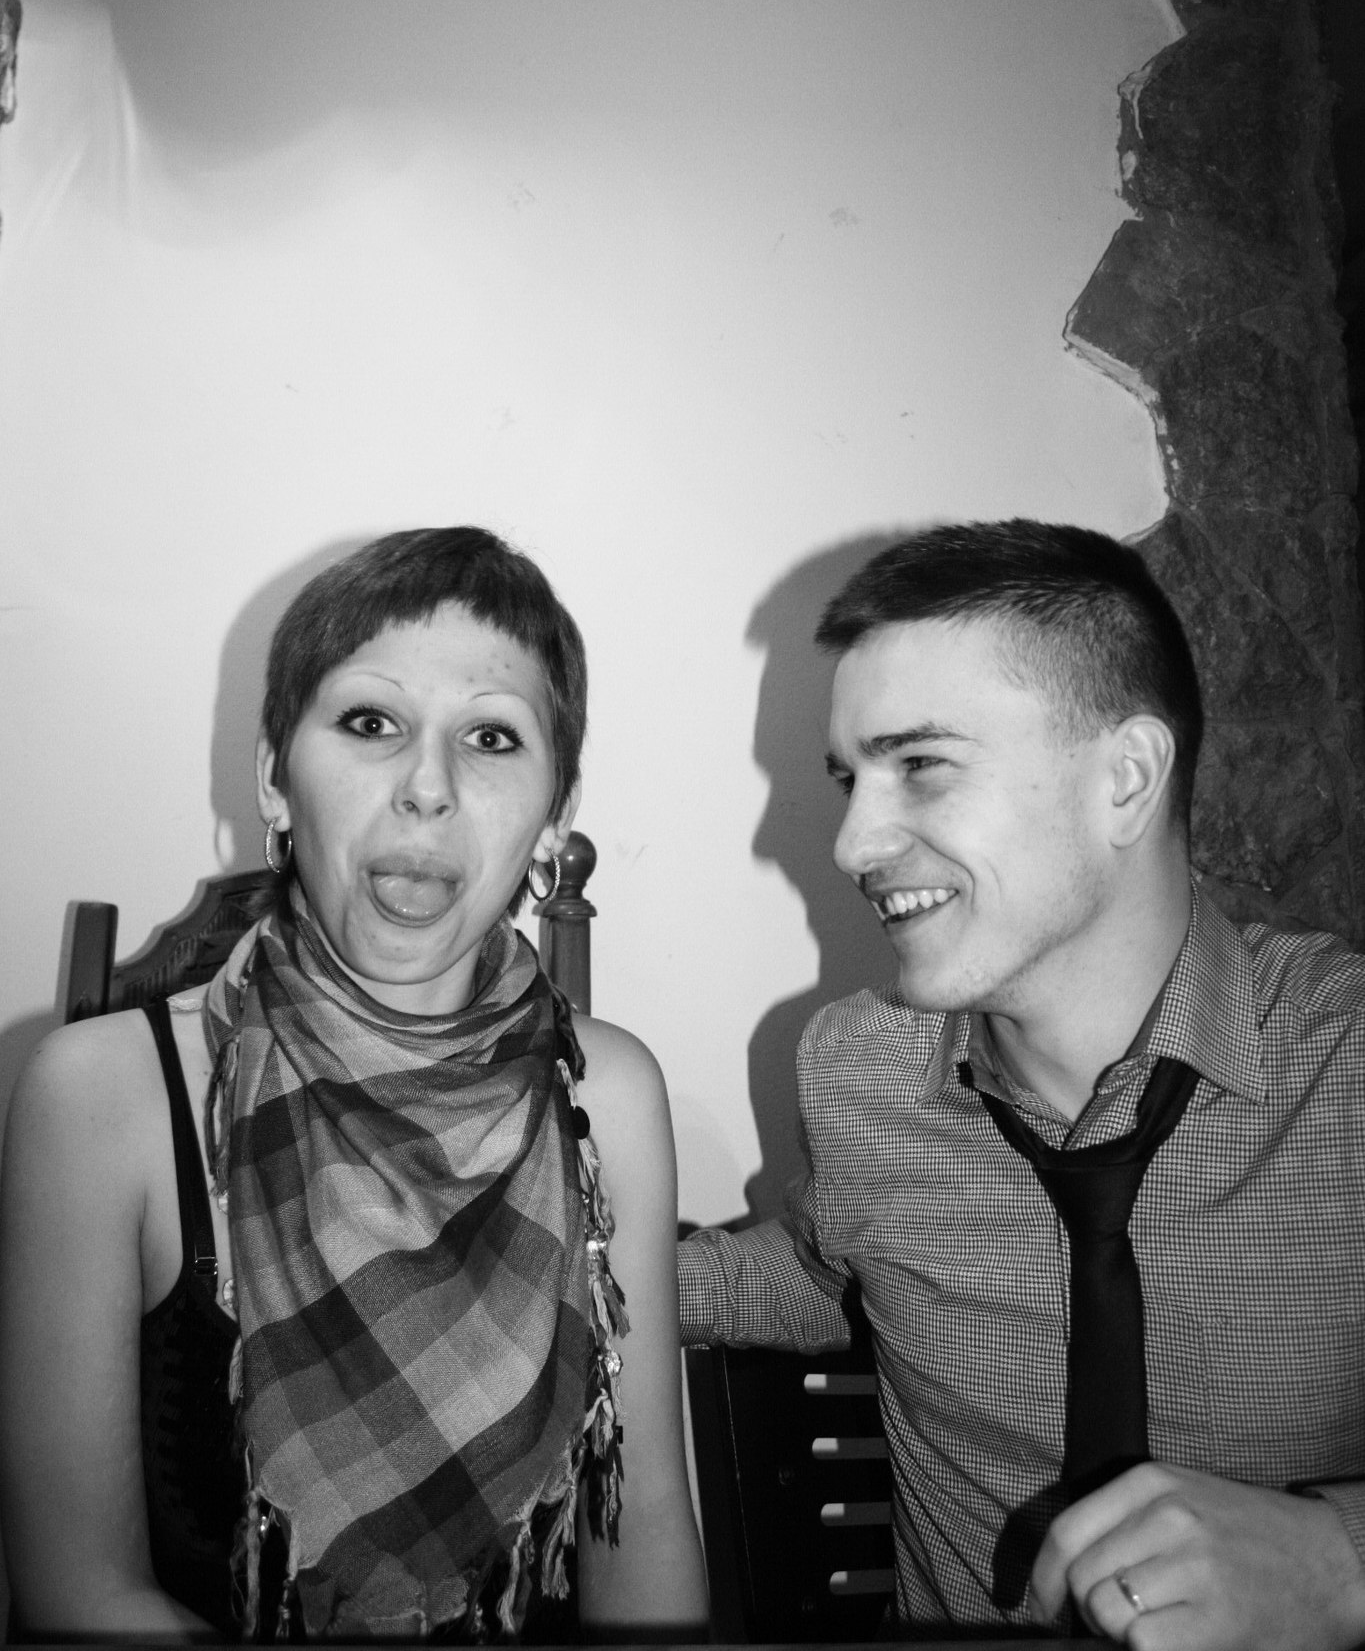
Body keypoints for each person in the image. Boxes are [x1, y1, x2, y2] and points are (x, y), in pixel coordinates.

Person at [0, 526, 707, 1641]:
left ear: (556, 815)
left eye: (491, 736)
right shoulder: (99, 1099)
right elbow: (79, 1590)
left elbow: (645, 1528)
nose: (427, 787)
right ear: (275, 779)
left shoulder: (608, 1092)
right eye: (371, 722)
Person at [678, 519, 1365, 1649]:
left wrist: (1341, 1563)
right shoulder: (859, 1067)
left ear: (1125, 779)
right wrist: (570, 1269)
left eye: (920, 765)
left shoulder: (1343, 1068)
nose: (851, 842)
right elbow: (823, 1265)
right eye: (851, 778)